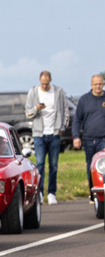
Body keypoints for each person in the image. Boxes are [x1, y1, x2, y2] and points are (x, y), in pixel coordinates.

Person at [24, 71, 72, 204]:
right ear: (39, 80)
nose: (44, 85)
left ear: (50, 80)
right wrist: (36, 108)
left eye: (47, 83)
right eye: (42, 83)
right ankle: (39, 192)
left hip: (54, 133)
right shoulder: (33, 92)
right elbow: (27, 112)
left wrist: (62, 128)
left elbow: (65, 110)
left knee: (54, 165)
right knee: (39, 164)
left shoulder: (58, 92)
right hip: (39, 134)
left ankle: (52, 193)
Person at [72, 74, 105, 193]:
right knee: (91, 166)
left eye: (100, 84)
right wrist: (76, 136)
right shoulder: (84, 99)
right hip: (88, 139)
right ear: (91, 85)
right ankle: (93, 192)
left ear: (103, 84)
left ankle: (103, 189)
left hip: (103, 139)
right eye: (96, 84)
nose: (98, 86)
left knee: (103, 166)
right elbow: (77, 119)